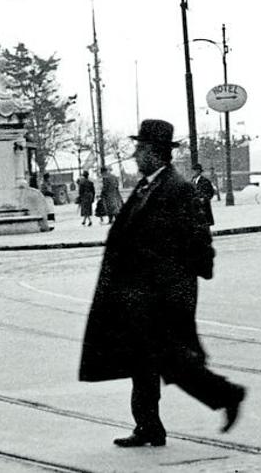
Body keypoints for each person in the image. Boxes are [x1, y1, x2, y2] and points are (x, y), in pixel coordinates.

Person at [79, 119, 246, 448]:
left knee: (173, 360)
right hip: (139, 293)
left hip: (163, 294)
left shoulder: (177, 188)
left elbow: (198, 239)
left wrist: (178, 283)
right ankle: (148, 427)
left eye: (140, 149)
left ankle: (227, 395)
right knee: (143, 362)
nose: (135, 155)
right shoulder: (147, 186)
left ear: (155, 154)